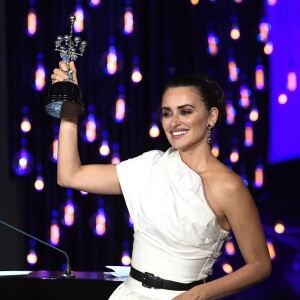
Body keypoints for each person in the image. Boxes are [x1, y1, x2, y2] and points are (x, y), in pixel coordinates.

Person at [51, 61, 271, 300]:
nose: (174, 122)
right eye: (167, 113)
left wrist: (200, 294)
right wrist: (68, 111)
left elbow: (259, 265)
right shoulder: (150, 166)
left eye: (185, 111)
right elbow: (69, 176)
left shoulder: (228, 186)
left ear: (211, 116)